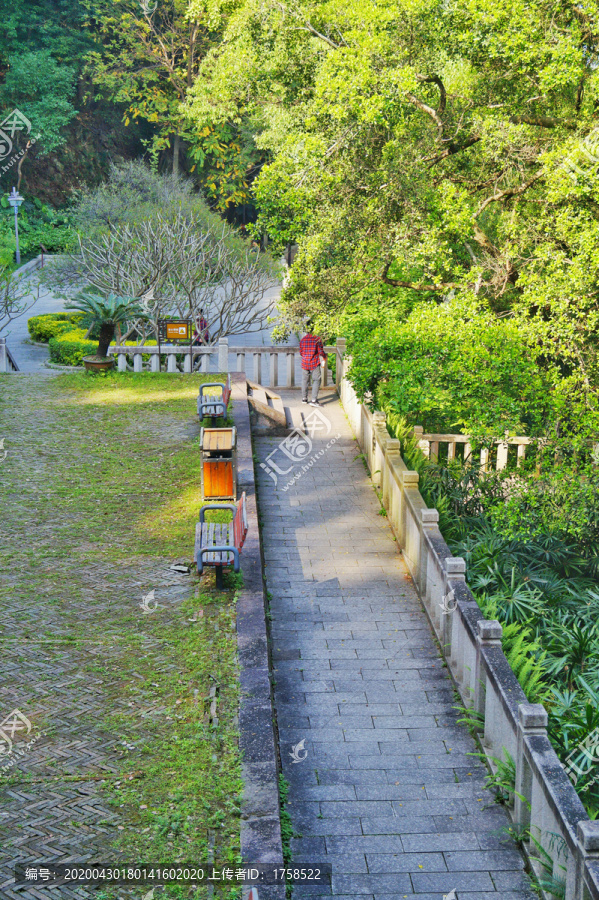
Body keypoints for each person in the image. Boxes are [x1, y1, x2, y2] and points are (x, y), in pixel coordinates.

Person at [299, 320, 327, 406]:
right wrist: (324, 356)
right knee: (316, 380)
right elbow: (320, 351)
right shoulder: (317, 339)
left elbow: (301, 352)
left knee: (305, 381)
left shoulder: (303, 340)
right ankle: (314, 400)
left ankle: (304, 399)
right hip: (314, 362)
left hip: (305, 363)